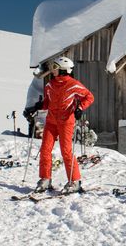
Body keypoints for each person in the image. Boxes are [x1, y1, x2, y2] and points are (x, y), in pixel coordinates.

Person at [28, 56, 93, 194]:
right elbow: (47, 102)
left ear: (64, 70)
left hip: (66, 122)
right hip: (51, 122)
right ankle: (45, 179)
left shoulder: (74, 84)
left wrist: (80, 108)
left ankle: (74, 181)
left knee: (66, 151)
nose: (52, 71)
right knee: (45, 150)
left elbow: (89, 97)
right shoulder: (50, 85)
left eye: (55, 68)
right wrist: (37, 107)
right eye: (53, 68)